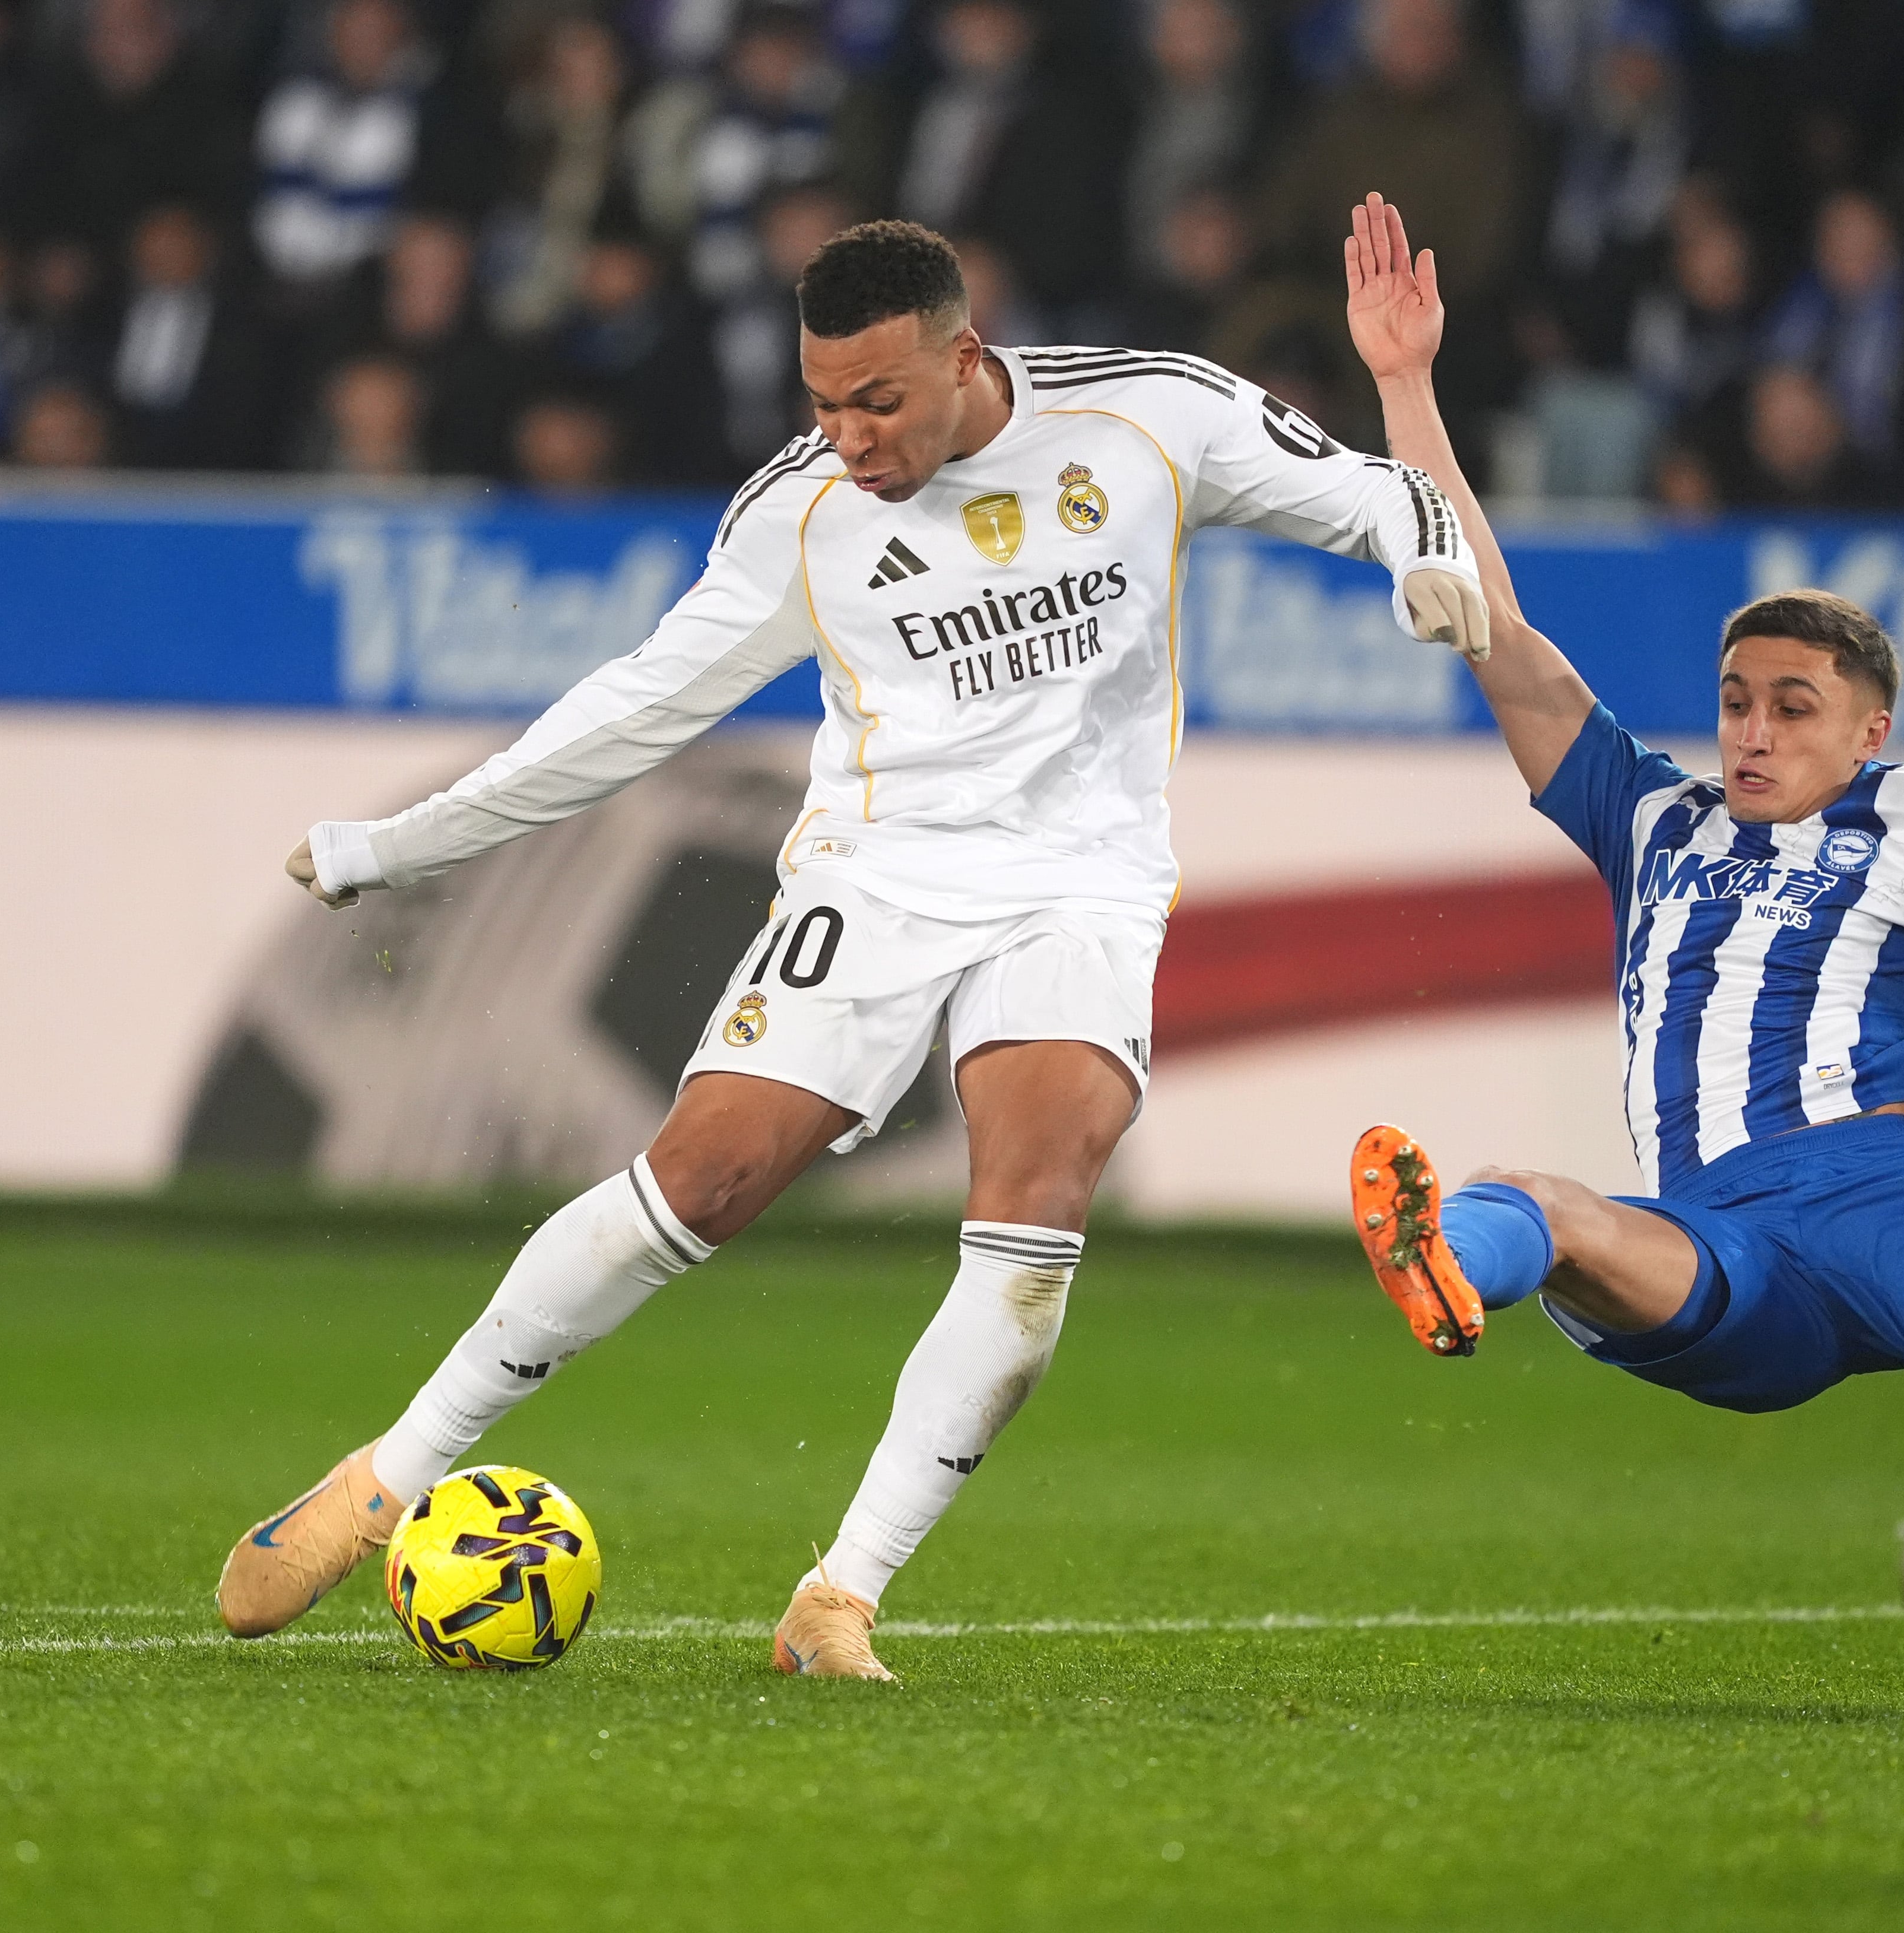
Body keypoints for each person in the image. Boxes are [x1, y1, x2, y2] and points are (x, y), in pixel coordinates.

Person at [214, 217, 1491, 1681]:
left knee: (1037, 1209)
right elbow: (636, 707)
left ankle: (843, 1597)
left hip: (1079, 882)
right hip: (876, 877)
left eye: (878, 403)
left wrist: (1421, 558)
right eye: (822, 404)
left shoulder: (1151, 414)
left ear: (965, 357)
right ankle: (392, 1472)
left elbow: (1376, 492)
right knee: (705, 1176)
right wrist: (400, 844)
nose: (850, 438)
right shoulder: (800, 515)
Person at [1338, 193, 1904, 1679]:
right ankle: (1444, 1259)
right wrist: (1408, 390)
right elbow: (1500, 638)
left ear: (1871, 727)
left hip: (1899, 1198)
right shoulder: (1656, 821)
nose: (1750, 732)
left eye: (1792, 708)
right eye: (1737, 700)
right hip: (1725, 1240)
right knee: (1541, 1205)